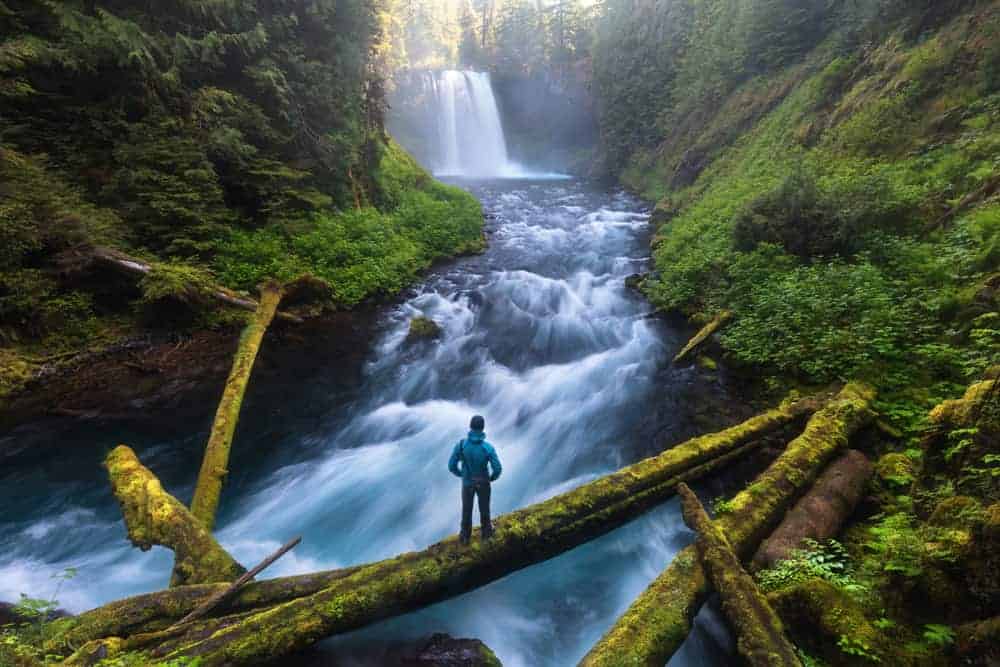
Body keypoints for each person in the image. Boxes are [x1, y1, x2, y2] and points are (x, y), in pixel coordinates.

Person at [448, 415, 502, 545]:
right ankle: (486, 535)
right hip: (483, 482)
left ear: (470, 426)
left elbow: (451, 466)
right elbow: (497, 468)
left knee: (466, 510)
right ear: (483, 428)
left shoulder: (461, 445)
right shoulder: (488, 448)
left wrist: (461, 474)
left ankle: (465, 537)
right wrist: (492, 478)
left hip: (467, 483)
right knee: (484, 509)